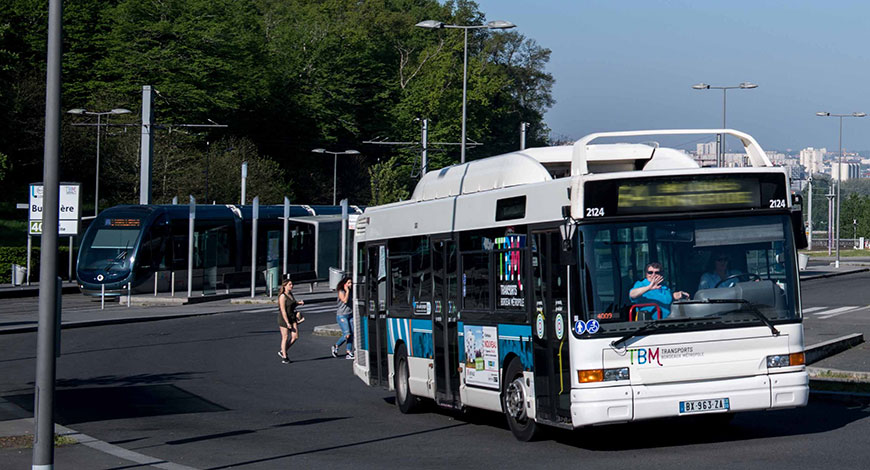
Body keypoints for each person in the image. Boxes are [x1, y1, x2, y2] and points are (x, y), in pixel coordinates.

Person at [277, 280, 304, 364]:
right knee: (285, 337)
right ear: (285, 286)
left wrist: (299, 303)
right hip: (284, 319)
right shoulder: (282, 296)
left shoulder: (290, 294)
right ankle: (284, 357)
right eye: (290, 284)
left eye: (292, 284)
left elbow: (292, 304)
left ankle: (283, 351)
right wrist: (287, 323)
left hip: (292, 317)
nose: (292, 286)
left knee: (295, 336)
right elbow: (283, 310)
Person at [331, 277, 354, 359]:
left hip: (350, 314)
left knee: (352, 334)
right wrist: (347, 291)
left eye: (351, 283)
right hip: (342, 315)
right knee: (347, 334)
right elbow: (344, 300)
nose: (350, 284)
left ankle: (349, 352)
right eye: (348, 283)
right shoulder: (341, 292)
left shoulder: (352, 292)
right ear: (344, 284)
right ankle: (336, 346)